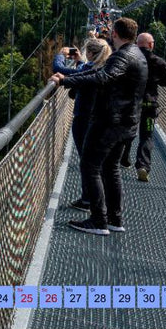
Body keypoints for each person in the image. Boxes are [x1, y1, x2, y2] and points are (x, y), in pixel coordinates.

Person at [49, 17, 147, 235]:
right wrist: (67, 78)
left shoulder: (122, 56)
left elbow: (102, 77)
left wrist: (64, 80)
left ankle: (98, 220)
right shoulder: (137, 55)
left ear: (114, 33)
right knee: (110, 169)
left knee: (90, 166)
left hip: (110, 122)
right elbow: (98, 73)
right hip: (127, 122)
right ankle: (114, 219)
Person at [53, 37, 112, 210]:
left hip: (84, 118)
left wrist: (60, 55)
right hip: (98, 117)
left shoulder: (90, 68)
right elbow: (83, 70)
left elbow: (59, 69)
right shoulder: (104, 67)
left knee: (87, 161)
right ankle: (93, 198)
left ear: (91, 53)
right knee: (93, 161)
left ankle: (89, 200)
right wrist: (79, 61)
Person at [120, 33, 166, 181]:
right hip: (149, 105)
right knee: (147, 136)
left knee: (129, 131)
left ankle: (124, 158)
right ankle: (143, 166)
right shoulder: (159, 61)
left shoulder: (130, 59)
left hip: (132, 104)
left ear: (137, 44)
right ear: (151, 44)